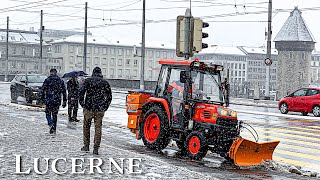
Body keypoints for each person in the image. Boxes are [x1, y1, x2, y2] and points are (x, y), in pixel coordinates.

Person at [79, 67, 112, 155]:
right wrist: (105, 107)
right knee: (98, 128)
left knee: (86, 126)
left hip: (89, 107)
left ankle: (86, 145)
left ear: (93, 72)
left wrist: (83, 104)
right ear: (101, 73)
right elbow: (109, 97)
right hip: (100, 109)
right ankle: (96, 148)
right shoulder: (105, 83)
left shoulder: (88, 81)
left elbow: (81, 93)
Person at [41, 68, 67, 134]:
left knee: (48, 113)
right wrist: (64, 101)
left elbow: (42, 90)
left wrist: (42, 98)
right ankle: (54, 128)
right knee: (55, 115)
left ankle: (50, 123)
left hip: (49, 99)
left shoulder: (47, 80)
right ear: (56, 73)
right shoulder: (60, 81)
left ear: (50, 73)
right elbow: (64, 92)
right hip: (57, 100)